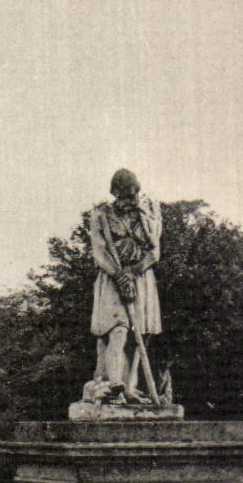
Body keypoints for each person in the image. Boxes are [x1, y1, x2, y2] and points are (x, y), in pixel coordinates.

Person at [85, 168, 162, 403]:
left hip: (141, 276)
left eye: (133, 196)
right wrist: (119, 276)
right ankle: (113, 386)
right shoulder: (100, 216)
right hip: (112, 277)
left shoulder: (149, 214)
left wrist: (133, 272)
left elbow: (154, 250)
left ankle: (131, 388)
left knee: (140, 336)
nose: (129, 201)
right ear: (115, 193)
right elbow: (99, 252)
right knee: (116, 330)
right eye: (124, 196)